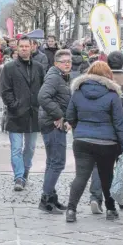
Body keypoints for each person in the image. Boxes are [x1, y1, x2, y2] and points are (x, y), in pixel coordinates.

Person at [65, 61, 123, 223]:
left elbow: (70, 117)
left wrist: (80, 130)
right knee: (106, 177)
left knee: (81, 176)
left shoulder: (78, 92)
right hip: (107, 143)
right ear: (108, 75)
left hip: (82, 141)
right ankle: (110, 210)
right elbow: (119, 123)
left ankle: (71, 210)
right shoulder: (112, 95)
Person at [89, 51, 123, 213]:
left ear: (108, 63)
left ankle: (96, 197)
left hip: (105, 128)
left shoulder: (102, 82)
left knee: (100, 164)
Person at [0, 36, 45, 191]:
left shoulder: (38, 67)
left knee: (31, 148)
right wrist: (14, 105)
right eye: (22, 46)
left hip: (33, 113)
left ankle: (25, 170)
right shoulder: (9, 68)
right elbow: (5, 91)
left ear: (32, 47)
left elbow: (43, 88)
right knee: (16, 148)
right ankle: (18, 177)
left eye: (27, 46)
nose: (24, 49)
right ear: (17, 48)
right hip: (16, 114)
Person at [37, 49, 72, 214]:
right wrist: (58, 115)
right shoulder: (54, 77)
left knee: (52, 162)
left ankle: (51, 197)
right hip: (52, 125)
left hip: (52, 123)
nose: (67, 64)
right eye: (64, 61)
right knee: (57, 163)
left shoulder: (60, 76)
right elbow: (43, 96)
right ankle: (46, 200)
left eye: (69, 61)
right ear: (56, 63)